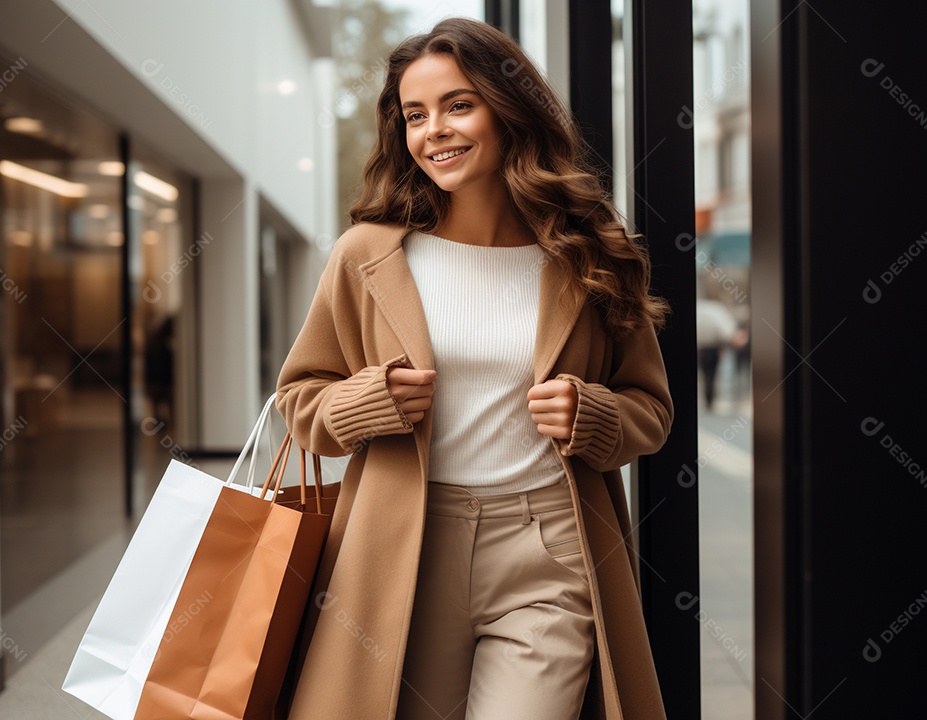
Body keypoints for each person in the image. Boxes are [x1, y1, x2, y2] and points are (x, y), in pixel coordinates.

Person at [275, 17, 673, 720]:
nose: (435, 132)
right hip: (407, 546)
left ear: (509, 107)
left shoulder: (588, 253)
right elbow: (300, 400)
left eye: (459, 105)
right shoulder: (368, 254)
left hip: (549, 548)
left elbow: (652, 409)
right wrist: (369, 402)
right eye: (415, 115)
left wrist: (595, 414)